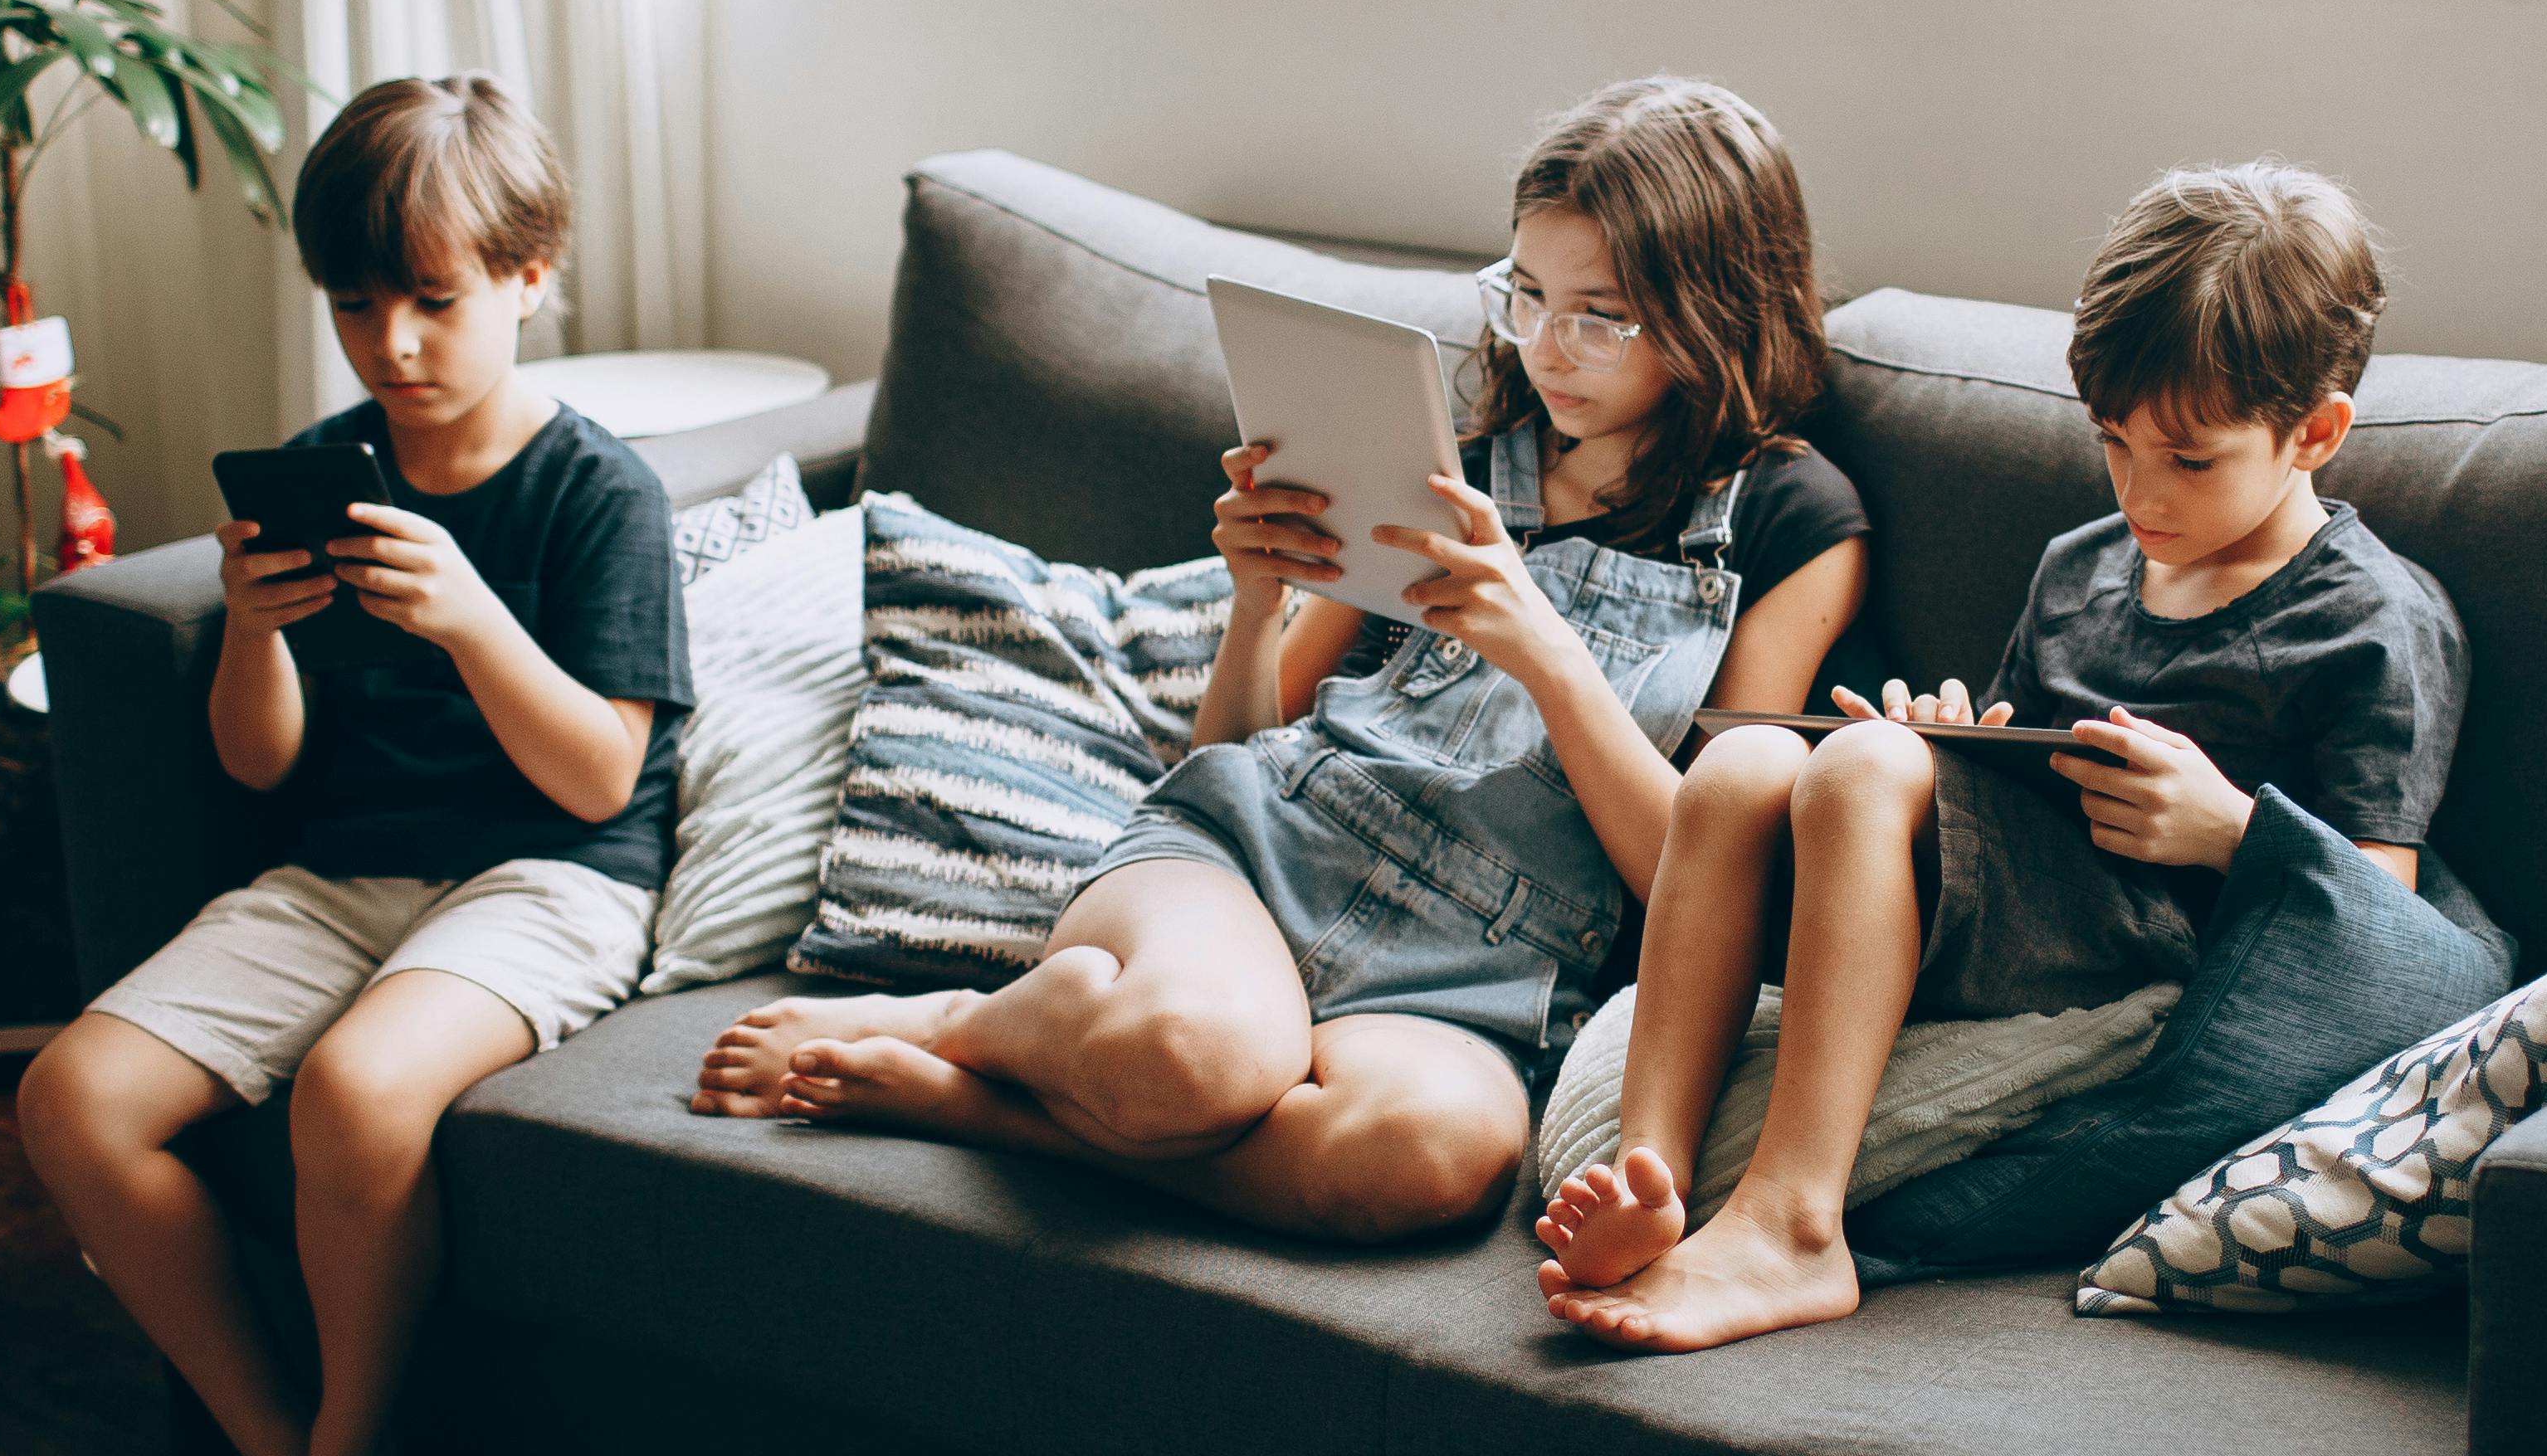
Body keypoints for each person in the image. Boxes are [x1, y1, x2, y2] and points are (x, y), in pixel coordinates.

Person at [691, 78, 1871, 1239]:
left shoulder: (1791, 523)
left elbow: (1700, 871)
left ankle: (982, 1101)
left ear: (1716, 306)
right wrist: (1258, 603)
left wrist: (1547, 655)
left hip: (1477, 964)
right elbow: (1233, 751)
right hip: (1257, 856)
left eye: (1596, 315)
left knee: (1432, 1163)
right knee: (1189, 1060)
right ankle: (966, 1018)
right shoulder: (1445, 460)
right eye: (1524, 294)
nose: (1546, 348)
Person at [1539, 159, 2467, 1351]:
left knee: (1862, 771)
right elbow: (2008, 762)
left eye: (2188, 458)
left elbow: (2378, 910)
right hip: (1991, 909)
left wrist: (2226, 825)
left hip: (2148, 934)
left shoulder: (2370, 620)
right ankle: (1648, 1179)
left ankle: (1791, 1226)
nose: (2139, 487)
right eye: (2112, 441)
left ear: (2315, 432)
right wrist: (1954, 740)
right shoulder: (2080, 565)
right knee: (1744, 763)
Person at [17, 76, 689, 1456]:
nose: (392, 344)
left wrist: (468, 613)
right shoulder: (333, 470)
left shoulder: (600, 493)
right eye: (355, 303)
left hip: (550, 875)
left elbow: (600, 771)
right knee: (74, 1100)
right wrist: (253, 633)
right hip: (347, 874)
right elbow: (259, 765)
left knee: (360, 1087)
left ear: (531, 279)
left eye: (435, 301)